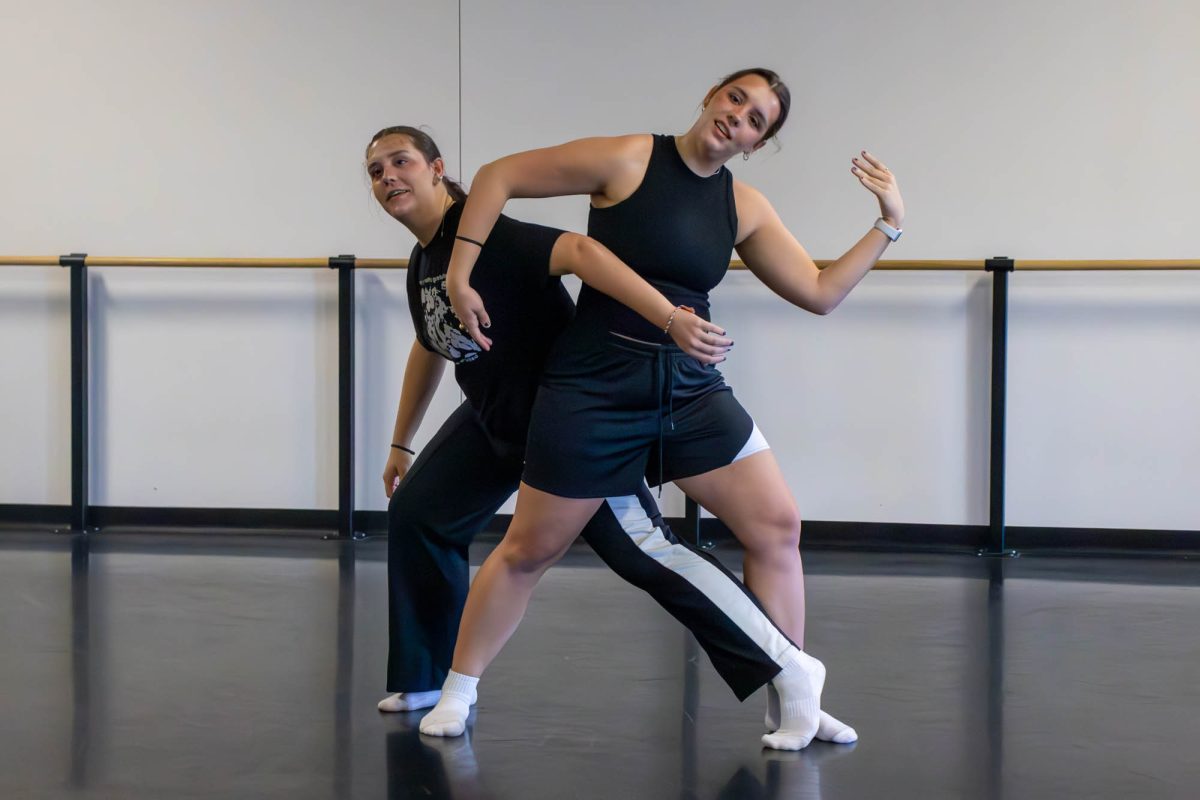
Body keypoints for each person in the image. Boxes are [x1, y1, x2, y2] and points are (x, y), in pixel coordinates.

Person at [421, 67, 904, 750]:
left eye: (757, 118)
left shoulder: (744, 205)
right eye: (736, 98)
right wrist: (460, 271)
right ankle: (457, 692)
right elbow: (498, 175)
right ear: (712, 97)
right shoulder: (628, 158)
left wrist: (888, 226)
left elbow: (821, 291)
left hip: (687, 385)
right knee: (530, 549)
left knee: (776, 525)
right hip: (593, 385)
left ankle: (791, 690)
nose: (739, 116)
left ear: (756, 143)